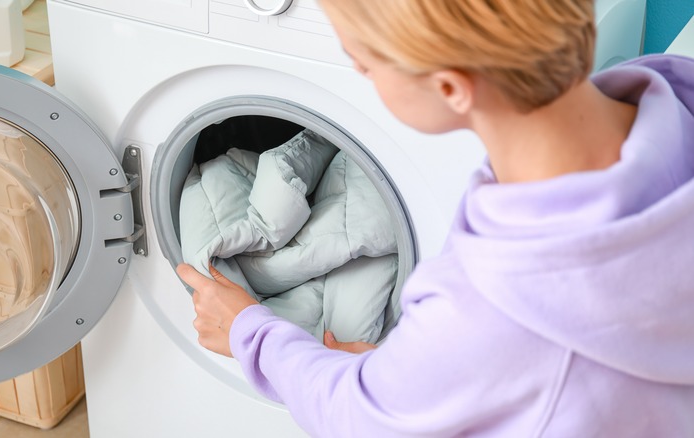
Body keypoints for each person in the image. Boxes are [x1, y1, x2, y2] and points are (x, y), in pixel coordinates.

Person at [176, 0, 694, 435]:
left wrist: (251, 332)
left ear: (450, 88)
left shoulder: (491, 307)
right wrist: (423, 371)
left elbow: (362, 419)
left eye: (364, 60)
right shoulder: (676, 100)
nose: (358, 70)